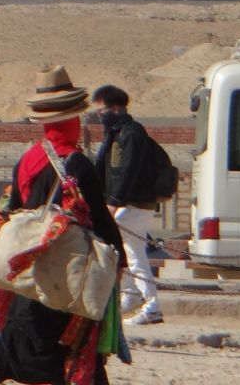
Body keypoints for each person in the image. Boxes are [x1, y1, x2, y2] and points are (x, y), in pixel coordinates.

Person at [0, 66, 126, 385]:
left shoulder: (27, 160)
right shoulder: (77, 165)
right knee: (66, 341)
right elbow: (99, 218)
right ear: (72, 119)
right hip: (65, 266)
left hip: (27, 265)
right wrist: (119, 256)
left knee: (26, 327)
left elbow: (12, 210)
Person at [91, 83, 164, 326]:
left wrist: (113, 204)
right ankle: (131, 296)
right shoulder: (115, 134)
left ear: (116, 108)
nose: (100, 117)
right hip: (127, 203)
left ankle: (152, 307)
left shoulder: (132, 133)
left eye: (101, 112)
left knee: (132, 253)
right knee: (128, 249)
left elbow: (128, 172)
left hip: (135, 203)